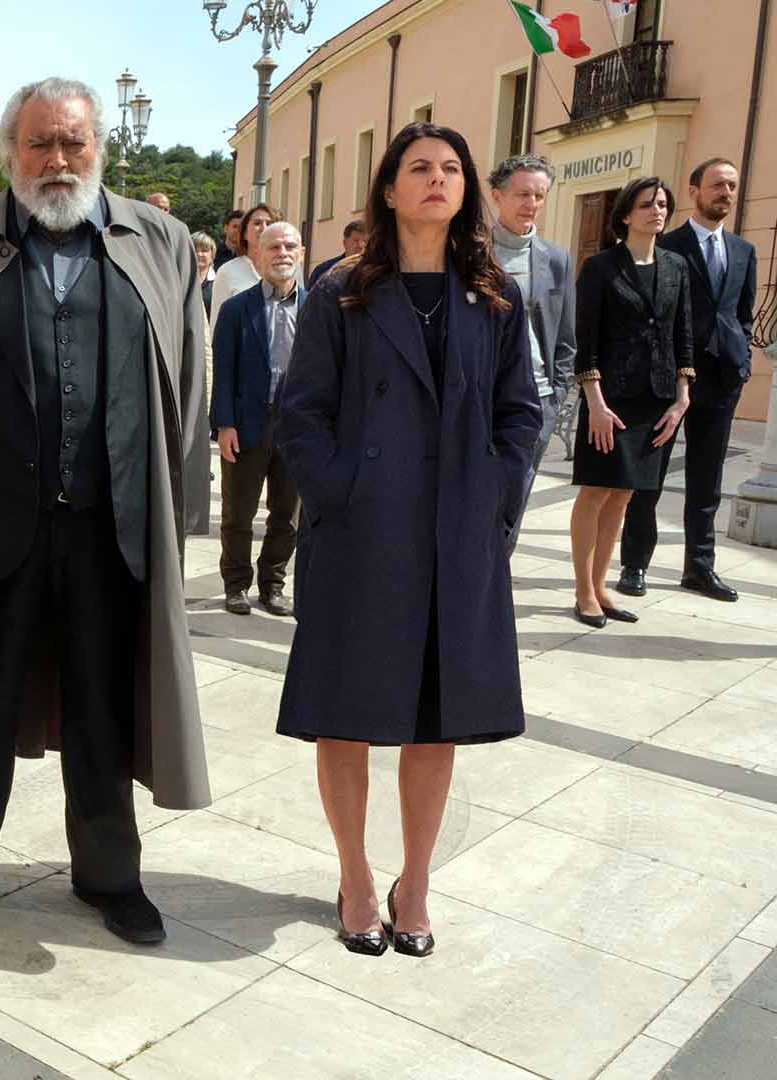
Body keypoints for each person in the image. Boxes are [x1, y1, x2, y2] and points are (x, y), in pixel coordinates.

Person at [0, 77, 211, 946]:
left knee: (104, 704)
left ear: (100, 146)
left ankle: (110, 877)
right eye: (39, 143)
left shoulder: (161, 241)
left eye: (72, 142)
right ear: (12, 153)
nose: (57, 160)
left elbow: (190, 380)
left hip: (114, 522)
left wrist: (180, 510)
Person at [276, 122, 541, 959]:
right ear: (389, 190)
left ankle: (415, 883)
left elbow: (522, 413)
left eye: (451, 168)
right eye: (419, 167)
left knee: (437, 720)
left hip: (456, 537)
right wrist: (340, 491)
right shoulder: (341, 291)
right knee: (344, 716)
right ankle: (355, 878)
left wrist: (495, 498)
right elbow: (300, 413)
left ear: (466, 191)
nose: (436, 178)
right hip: (361, 538)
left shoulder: (494, 293)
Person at [618, 158, 756, 603]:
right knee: (650, 475)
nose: (726, 193)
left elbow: (742, 313)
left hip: (722, 377)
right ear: (694, 190)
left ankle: (699, 567)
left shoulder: (743, 251)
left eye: (731, 185)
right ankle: (634, 564)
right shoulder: (667, 245)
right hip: (668, 377)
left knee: (707, 478)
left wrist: (741, 355)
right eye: (717, 185)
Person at [568, 176, 694, 628]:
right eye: (646, 204)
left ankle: (601, 586)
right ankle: (583, 592)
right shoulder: (600, 267)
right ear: (625, 215)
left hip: (655, 399)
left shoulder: (677, 266)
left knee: (624, 494)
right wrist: (595, 404)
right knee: (596, 490)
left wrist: (682, 396)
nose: (657, 211)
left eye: (661, 204)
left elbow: (682, 334)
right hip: (609, 397)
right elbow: (586, 342)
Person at [211, 221, 304, 617]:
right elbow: (223, 370)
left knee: (288, 516)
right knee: (238, 514)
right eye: (273, 247)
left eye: (289, 247)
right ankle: (236, 585)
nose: (282, 254)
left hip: (297, 430)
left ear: (301, 253)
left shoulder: (317, 309)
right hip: (247, 425)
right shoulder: (236, 309)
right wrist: (224, 425)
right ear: (258, 256)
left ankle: (273, 585)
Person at [487, 157, 576, 550]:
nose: (532, 204)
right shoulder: (470, 253)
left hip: (535, 401)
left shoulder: (556, 259)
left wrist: (555, 398)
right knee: (471, 497)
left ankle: (496, 577)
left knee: (513, 502)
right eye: (523, 194)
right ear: (497, 196)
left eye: (539, 196)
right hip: (478, 396)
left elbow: (566, 339)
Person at [209, 203, 280, 328]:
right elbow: (217, 325)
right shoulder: (227, 272)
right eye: (257, 223)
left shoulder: (288, 271)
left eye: (269, 224)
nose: (264, 228)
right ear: (245, 233)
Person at [307, 219, 367, 289]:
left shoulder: (374, 272)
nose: (361, 245)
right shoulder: (324, 270)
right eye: (356, 240)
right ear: (345, 243)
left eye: (365, 241)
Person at [191, 231, 216, 318]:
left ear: (212, 254)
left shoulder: (218, 282)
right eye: (195, 250)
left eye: (204, 250)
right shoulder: (180, 280)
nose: (199, 254)